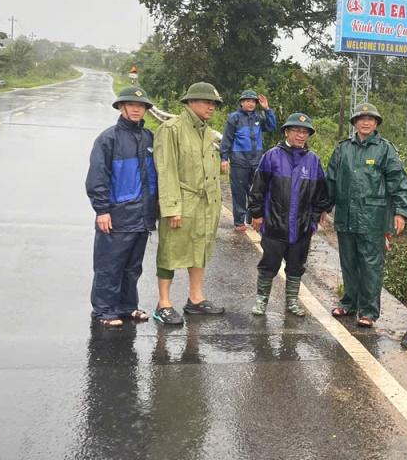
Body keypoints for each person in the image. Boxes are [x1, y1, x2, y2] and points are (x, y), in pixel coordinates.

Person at [325, 103, 407, 328]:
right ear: (354, 122)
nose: (366, 122)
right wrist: (322, 209)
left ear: (376, 124)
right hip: (345, 216)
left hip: (373, 218)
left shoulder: (385, 150)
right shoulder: (342, 149)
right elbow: (330, 182)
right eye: (361, 118)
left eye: (370, 119)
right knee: (348, 262)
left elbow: (398, 181)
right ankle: (349, 303)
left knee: (371, 265)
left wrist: (401, 211)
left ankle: (369, 311)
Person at [151, 82, 227, 325]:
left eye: (214, 103)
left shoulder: (207, 132)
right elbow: (166, 170)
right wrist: (172, 207)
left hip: (206, 204)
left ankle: (195, 299)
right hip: (182, 202)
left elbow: (206, 167)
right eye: (207, 102)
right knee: (170, 252)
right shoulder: (171, 129)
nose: (211, 107)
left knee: (200, 250)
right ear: (190, 102)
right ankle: (163, 303)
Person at [85, 86, 158, 327]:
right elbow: (98, 176)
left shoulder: (149, 137)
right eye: (131, 105)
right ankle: (104, 310)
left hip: (143, 216)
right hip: (118, 214)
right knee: (109, 265)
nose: (137, 109)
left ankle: (127, 307)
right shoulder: (109, 139)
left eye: (141, 106)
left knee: (133, 266)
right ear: (121, 107)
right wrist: (102, 210)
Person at [247, 112, 330, 317]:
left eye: (305, 132)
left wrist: (313, 222)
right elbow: (258, 188)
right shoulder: (272, 156)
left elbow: (321, 195)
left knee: (296, 266)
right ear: (287, 132)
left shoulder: (313, 161)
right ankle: (261, 300)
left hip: (301, 228)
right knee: (269, 264)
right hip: (274, 225)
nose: (301, 136)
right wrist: (256, 214)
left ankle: (292, 301)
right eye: (297, 131)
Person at [221, 89, 277, 232]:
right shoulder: (234, 118)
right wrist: (224, 158)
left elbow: (271, 126)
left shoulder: (258, 118)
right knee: (239, 191)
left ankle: (252, 218)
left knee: (256, 191)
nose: (251, 104)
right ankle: (239, 221)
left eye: (253, 101)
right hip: (239, 160)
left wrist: (267, 109)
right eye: (247, 101)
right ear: (241, 103)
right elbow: (227, 138)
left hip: (256, 160)